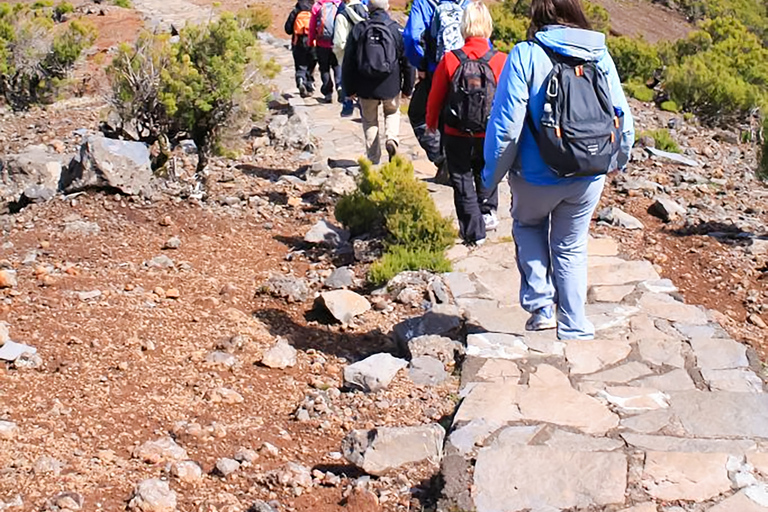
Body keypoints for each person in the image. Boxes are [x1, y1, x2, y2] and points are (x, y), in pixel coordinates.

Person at [482, 0, 634, 339]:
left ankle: (541, 308)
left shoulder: (525, 54)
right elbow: (622, 115)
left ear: (538, 16)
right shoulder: (599, 53)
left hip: (535, 176)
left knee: (527, 225)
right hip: (588, 171)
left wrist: (490, 177)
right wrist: (617, 160)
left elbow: (506, 127)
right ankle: (575, 324)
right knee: (571, 245)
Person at [425, 1, 504, 246]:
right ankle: (487, 212)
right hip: (488, 132)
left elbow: (435, 97)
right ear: (488, 26)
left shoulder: (450, 60)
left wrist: (430, 125)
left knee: (461, 178)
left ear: (464, 26)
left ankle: (472, 231)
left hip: (455, 131)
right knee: (486, 171)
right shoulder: (501, 60)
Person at [403, 0, 470, 183]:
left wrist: (421, 63)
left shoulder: (423, 3)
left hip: (436, 69)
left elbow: (412, 37)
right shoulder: (467, 2)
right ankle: (457, 166)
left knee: (418, 114)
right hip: (465, 70)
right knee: (455, 117)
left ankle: (442, 160)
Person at [343, 0, 415, 164]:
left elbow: (349, 62)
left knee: (369, 121)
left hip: (365, 84)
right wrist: (407, 88)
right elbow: (407, 61)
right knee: (392, 112)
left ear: (368, 8)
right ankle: (391, 139)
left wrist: (350, 89)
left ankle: (373, 159)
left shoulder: (359, 29)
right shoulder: (396, 29)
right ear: (387, 7)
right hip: (390, 84)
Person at [333, 0, 369, 116]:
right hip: (366, 55)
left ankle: (348, 107)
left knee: (347, 82)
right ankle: (364, 110)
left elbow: (339, 43)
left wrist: (340, 55)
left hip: (348, 57)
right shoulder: (368, 11)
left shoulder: (342, 15)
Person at [309, 0, 343, 103]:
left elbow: (312, 25)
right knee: (337, 66)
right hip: (336, 43)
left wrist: (311, 40)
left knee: (324, 68)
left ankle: (328, 93)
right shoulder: (339, 4)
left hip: (321, 43)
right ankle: (340, 86)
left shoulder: (318, 6)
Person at [285, 0, 318, 97]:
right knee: (311, 64)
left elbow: (288, 29)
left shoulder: (296, 11)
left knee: (300, 64)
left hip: (298, 42)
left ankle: (300, 80)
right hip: (313, 42)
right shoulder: (315, 10)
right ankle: (309, 84)